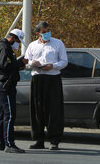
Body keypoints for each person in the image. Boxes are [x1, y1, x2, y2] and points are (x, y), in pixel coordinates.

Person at [25, 21, 68, 150]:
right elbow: (26, 62)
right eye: (44, 32)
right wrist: (33, 64)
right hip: (37, 79)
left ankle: (54, 140)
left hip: (53, 79)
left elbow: (64, 61)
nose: (47, 34)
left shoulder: (58, 43)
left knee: (54, 110)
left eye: (48, 31)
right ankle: (38, 140)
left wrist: (53, 66)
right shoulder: (32, 45)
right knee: (37, 110)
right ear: (38, 33)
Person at [0, 29, 28, 153]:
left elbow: (9, 67)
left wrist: (19, 65)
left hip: (7, 85)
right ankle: (9, 144)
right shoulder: (4, 47)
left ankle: (1, 143)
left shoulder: (7, 47)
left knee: (3, 115)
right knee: (10, 115)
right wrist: (19, 63)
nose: (18, 44)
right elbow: (4, 66)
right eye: (18, 41)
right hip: (5, 86)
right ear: (13, 38)